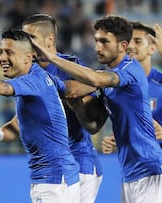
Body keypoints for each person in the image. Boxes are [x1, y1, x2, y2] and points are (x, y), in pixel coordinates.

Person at [32, 15, 162, 203]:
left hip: (149, 167)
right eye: (96, 41)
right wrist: (77, 106)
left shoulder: (130, 69)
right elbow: (92, 124)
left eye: (104, 42)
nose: (97, 47)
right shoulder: (109, 79)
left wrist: (52, 58)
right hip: (130, 171)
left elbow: (94, 80)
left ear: (122, 46)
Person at [0, 29, 81, 203]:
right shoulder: (41, 79)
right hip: (60, 177)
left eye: (9, 52)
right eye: (0, 51)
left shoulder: (33, 81)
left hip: (54, 179)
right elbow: (20, 124)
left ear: (28, 57)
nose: (2, 58)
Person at [21, 14, 105, 203]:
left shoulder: (71, 67)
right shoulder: (29, 72)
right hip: (51, 166)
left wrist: (96, 82)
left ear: (49, 40)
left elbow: (92, 121)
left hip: (80, 161)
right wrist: (0, 133)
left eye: (30, 38)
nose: (25, 44)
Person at [101, 22, 162, 153]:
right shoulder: (117, 84)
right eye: (129, 41)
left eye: (138, 41)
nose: (131, 46)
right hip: (135, 165)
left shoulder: (160, 82)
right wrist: (114, 139)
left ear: (152, 48)